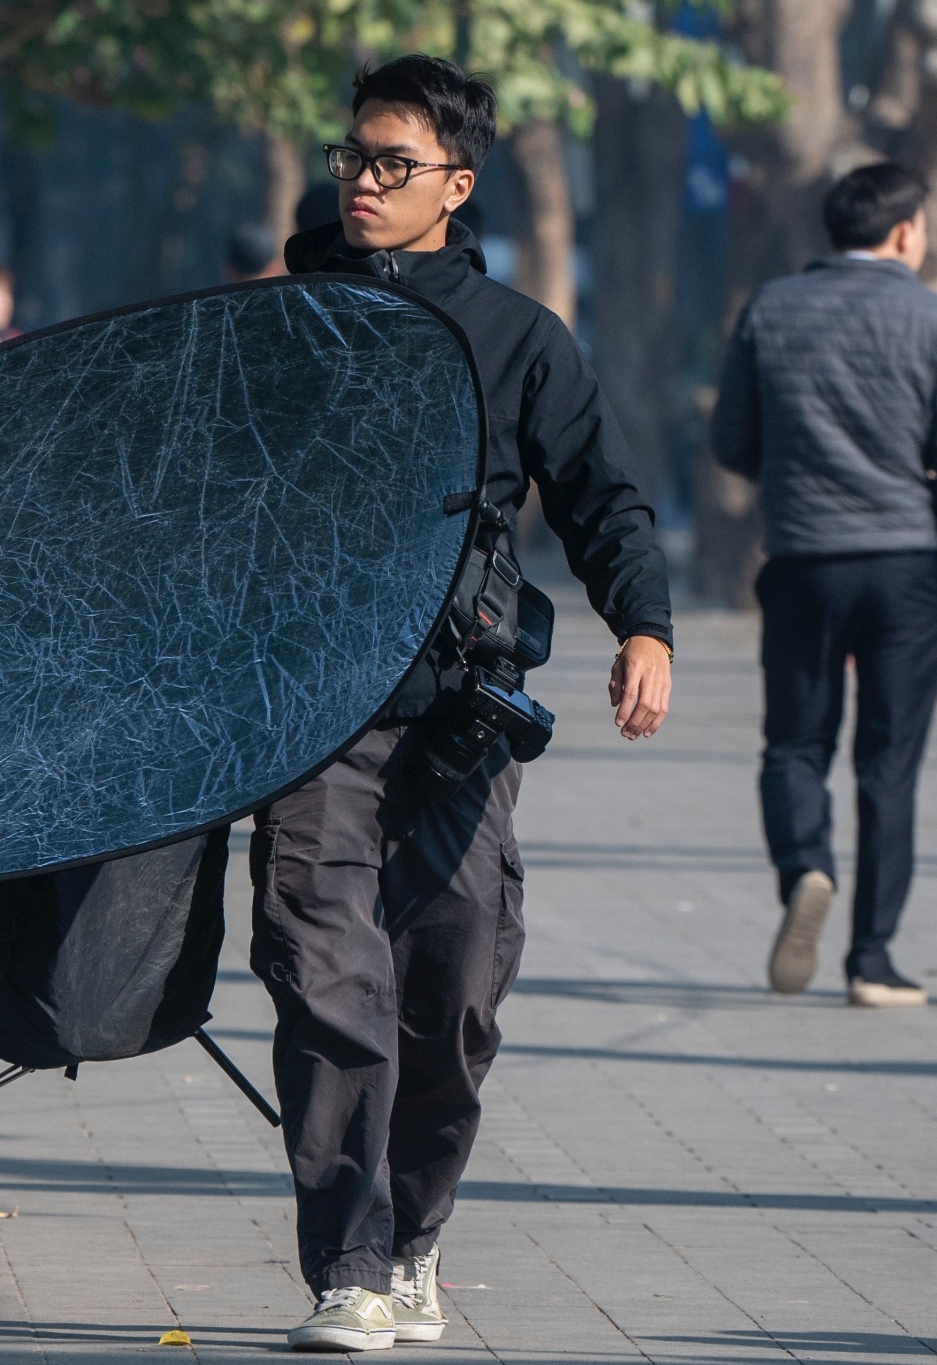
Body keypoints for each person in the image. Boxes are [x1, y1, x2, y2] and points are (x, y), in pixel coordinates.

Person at [267, 55, 674, 1350]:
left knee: (452, 988)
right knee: (321, 968)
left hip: (458, 707)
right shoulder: (292, 318)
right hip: (309, 705)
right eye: (354, 160)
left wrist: (646, 623)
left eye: (395, 164)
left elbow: (602, 496)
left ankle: (417, 1235)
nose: (367, 184)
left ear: (458, 182)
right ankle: (351, 1262)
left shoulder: (519, 339)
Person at [712, 162, 937, 1011]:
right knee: (889, 765)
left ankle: (807, 865)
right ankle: (872, 960)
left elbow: (731, 440)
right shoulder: (933, 318)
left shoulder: (771, 309)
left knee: (795, 743)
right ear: (904, 232)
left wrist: (793, 478)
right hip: (905, 565)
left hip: (802, 561)